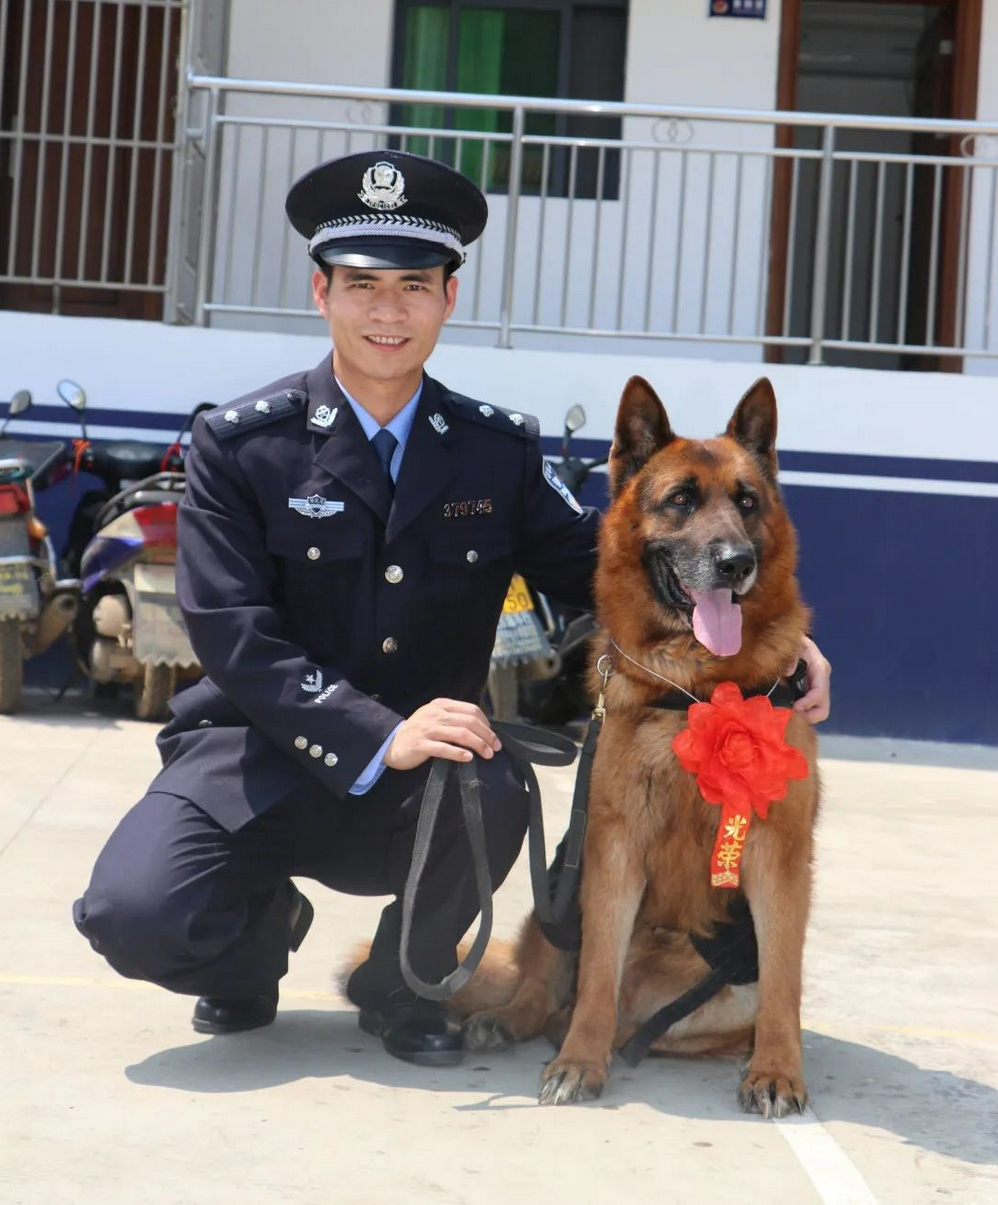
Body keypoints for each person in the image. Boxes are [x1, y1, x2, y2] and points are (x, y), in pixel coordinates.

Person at [73, 149, 832, 1067]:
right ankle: (251, 942)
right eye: (363, 285)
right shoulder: (242, 445)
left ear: (448, 300)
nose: (388, 311)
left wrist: (769, 649)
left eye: (413, 285)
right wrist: (372, 733)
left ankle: (406, 985)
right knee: (133, 914)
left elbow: (617, 573)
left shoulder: (492, 453)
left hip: (428, 780)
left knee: (495, 781)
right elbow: (233, 633)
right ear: (322, 294)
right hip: (253, 758)